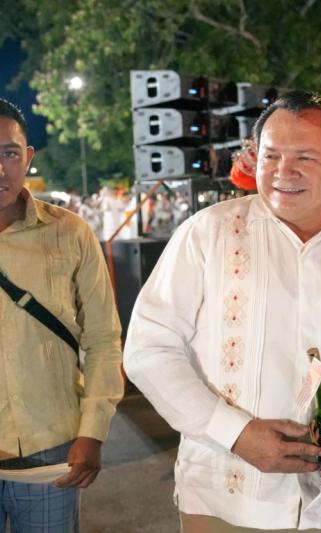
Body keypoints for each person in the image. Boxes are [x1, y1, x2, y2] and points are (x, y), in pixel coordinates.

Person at [123, 91, 321, 532]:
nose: (285, 172)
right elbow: (149, 347)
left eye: (305, 156)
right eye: (271, 156)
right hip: (227, 501)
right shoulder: (209, 234)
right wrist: (235, 433)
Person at [0, 97, 124, 531]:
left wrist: (94, 429)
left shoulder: (70, 233)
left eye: (9, 154)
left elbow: (104, 339)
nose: (0, 170)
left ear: (27, 157)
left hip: (52, 449)